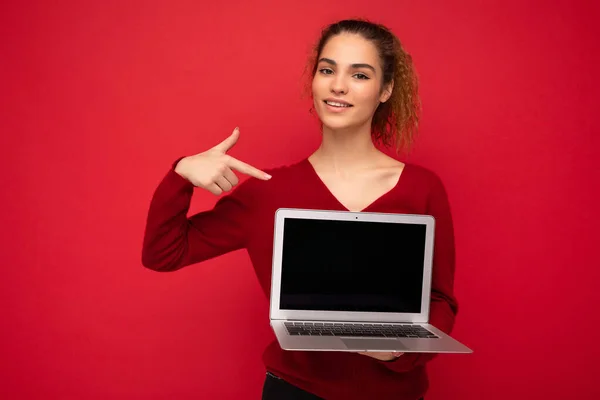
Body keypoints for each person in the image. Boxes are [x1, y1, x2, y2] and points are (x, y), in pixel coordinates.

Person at [142, 18, 458, 400]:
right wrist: (181, 175)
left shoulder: (422, 189)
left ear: (385, 89)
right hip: (294, 392)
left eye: (359, 75)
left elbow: (440, 300)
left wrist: (399, 352)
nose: (338, 85)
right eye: (327, 70)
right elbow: (163, 253)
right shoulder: (267, 193)